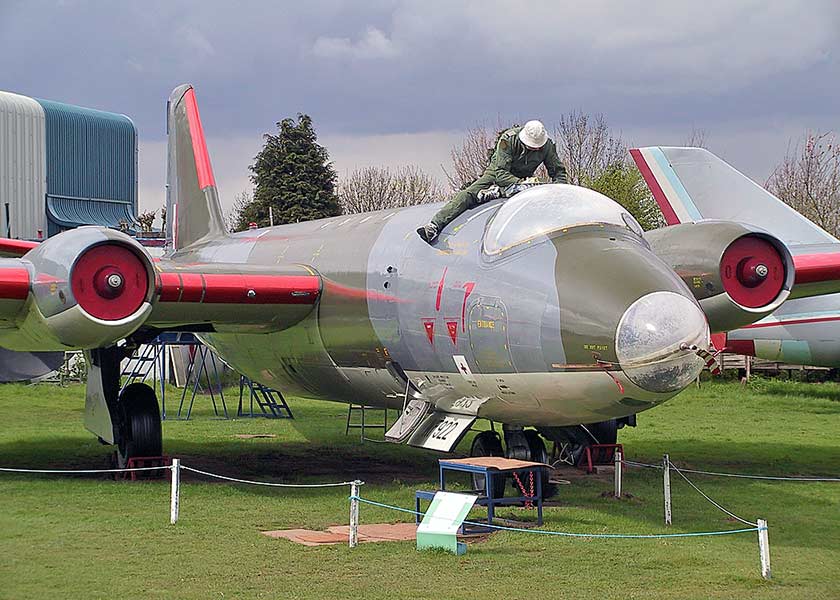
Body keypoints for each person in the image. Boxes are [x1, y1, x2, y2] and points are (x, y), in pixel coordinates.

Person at [418, 120, 568, 244]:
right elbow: (500, 173)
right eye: (530, 146)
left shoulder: (546, 145)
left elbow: (558, 171)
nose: (533, 149)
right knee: (468, 194)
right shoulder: (508, 140)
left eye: (537, 148)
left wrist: (559, 193)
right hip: (497, 174)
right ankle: (434, 226)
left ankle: (497, 193)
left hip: (525, 180)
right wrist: (521, 184)